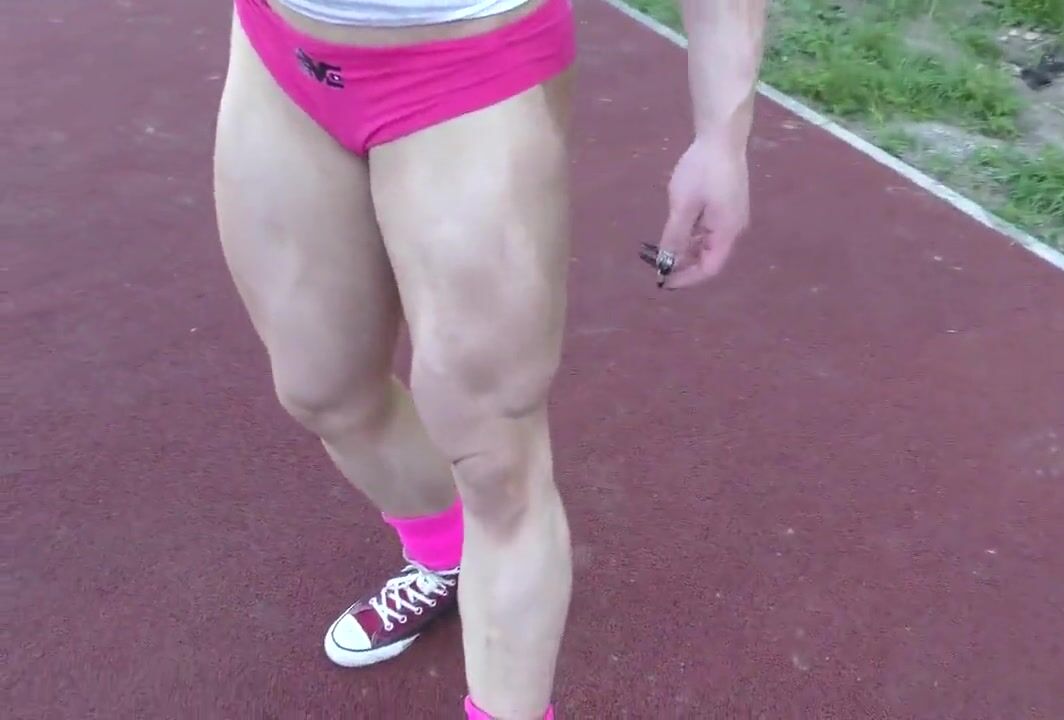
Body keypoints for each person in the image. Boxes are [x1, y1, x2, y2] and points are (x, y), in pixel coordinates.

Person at [211, 0, 767, 717]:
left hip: (467, 69)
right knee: (325, 390)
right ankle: (446, 555)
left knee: (495, 459)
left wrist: (722, 137)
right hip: (279, 47)